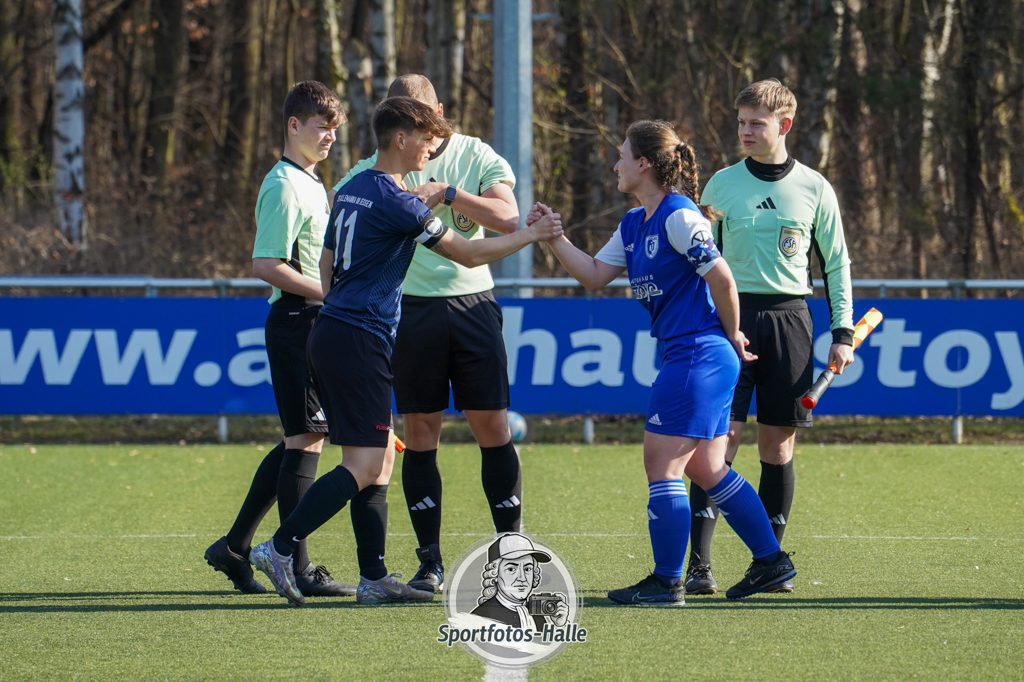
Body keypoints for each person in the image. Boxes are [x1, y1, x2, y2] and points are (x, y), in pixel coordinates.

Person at [249, 97, 564, 606]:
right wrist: (532, 235)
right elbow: (467, 253)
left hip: (334, 331)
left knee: (379, 462)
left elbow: (326, 264)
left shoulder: (350, 189)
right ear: (401, 138)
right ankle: (280, 548)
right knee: (365, 464)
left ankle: (373, 577)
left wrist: (344, 303)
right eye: (426, 139)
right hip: (359, 340)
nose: (431, 150)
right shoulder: (399, 201)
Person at [529, 120, 796, 603]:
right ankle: (771, 561)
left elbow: (723, 279)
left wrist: (733, 333)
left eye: (622, 156)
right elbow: (594, 275)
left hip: (698, 353)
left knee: (662, 464)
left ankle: (668, 581)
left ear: (644, 163)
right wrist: (554, 237)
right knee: (707, 468)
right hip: (692, 353)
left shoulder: (678, 215)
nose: (616, 166)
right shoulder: (635, 222)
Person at [331, 75, 522, 595]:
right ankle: (429, 562)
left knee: (493, 426)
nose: (424, 131)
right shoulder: (374, 169)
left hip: (473, 304)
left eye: (427, 117)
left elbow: (508, 218)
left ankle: (511, 551)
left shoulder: (474, 153)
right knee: (420, 433)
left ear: (439, 111)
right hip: (410, 312)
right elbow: (339, 214)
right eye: (408, 118)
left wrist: (450, 192)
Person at [684, 79, 853, 596]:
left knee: (777, 444)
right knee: (718, 443)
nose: (746, 131)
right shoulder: (720, 185)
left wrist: (843, 332)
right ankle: (699, 566)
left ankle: (769, 564)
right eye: (741, 122)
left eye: (756, 123)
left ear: (784, 125)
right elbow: (701, 264)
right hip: (730, 322)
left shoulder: (815, 188)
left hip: (790, 321)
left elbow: (837, 265)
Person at [204, 80, 354, 598]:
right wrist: (329, 293)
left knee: (302, 438)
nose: (330, 136)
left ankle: (235, 547)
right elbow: (266, 264)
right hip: (296, 322)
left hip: (312, 321)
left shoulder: (310, 181)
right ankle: (299, 566)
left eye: (334, 129)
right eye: (321, 127)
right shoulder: (284, 185)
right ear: (293, 125)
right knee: (306, 440)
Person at [471, 533, 568, 630]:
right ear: (495, 574)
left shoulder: (537, 615)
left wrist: (560, 625)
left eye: (527, 569)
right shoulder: (480, 618)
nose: (522, 578)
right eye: (511, 569)